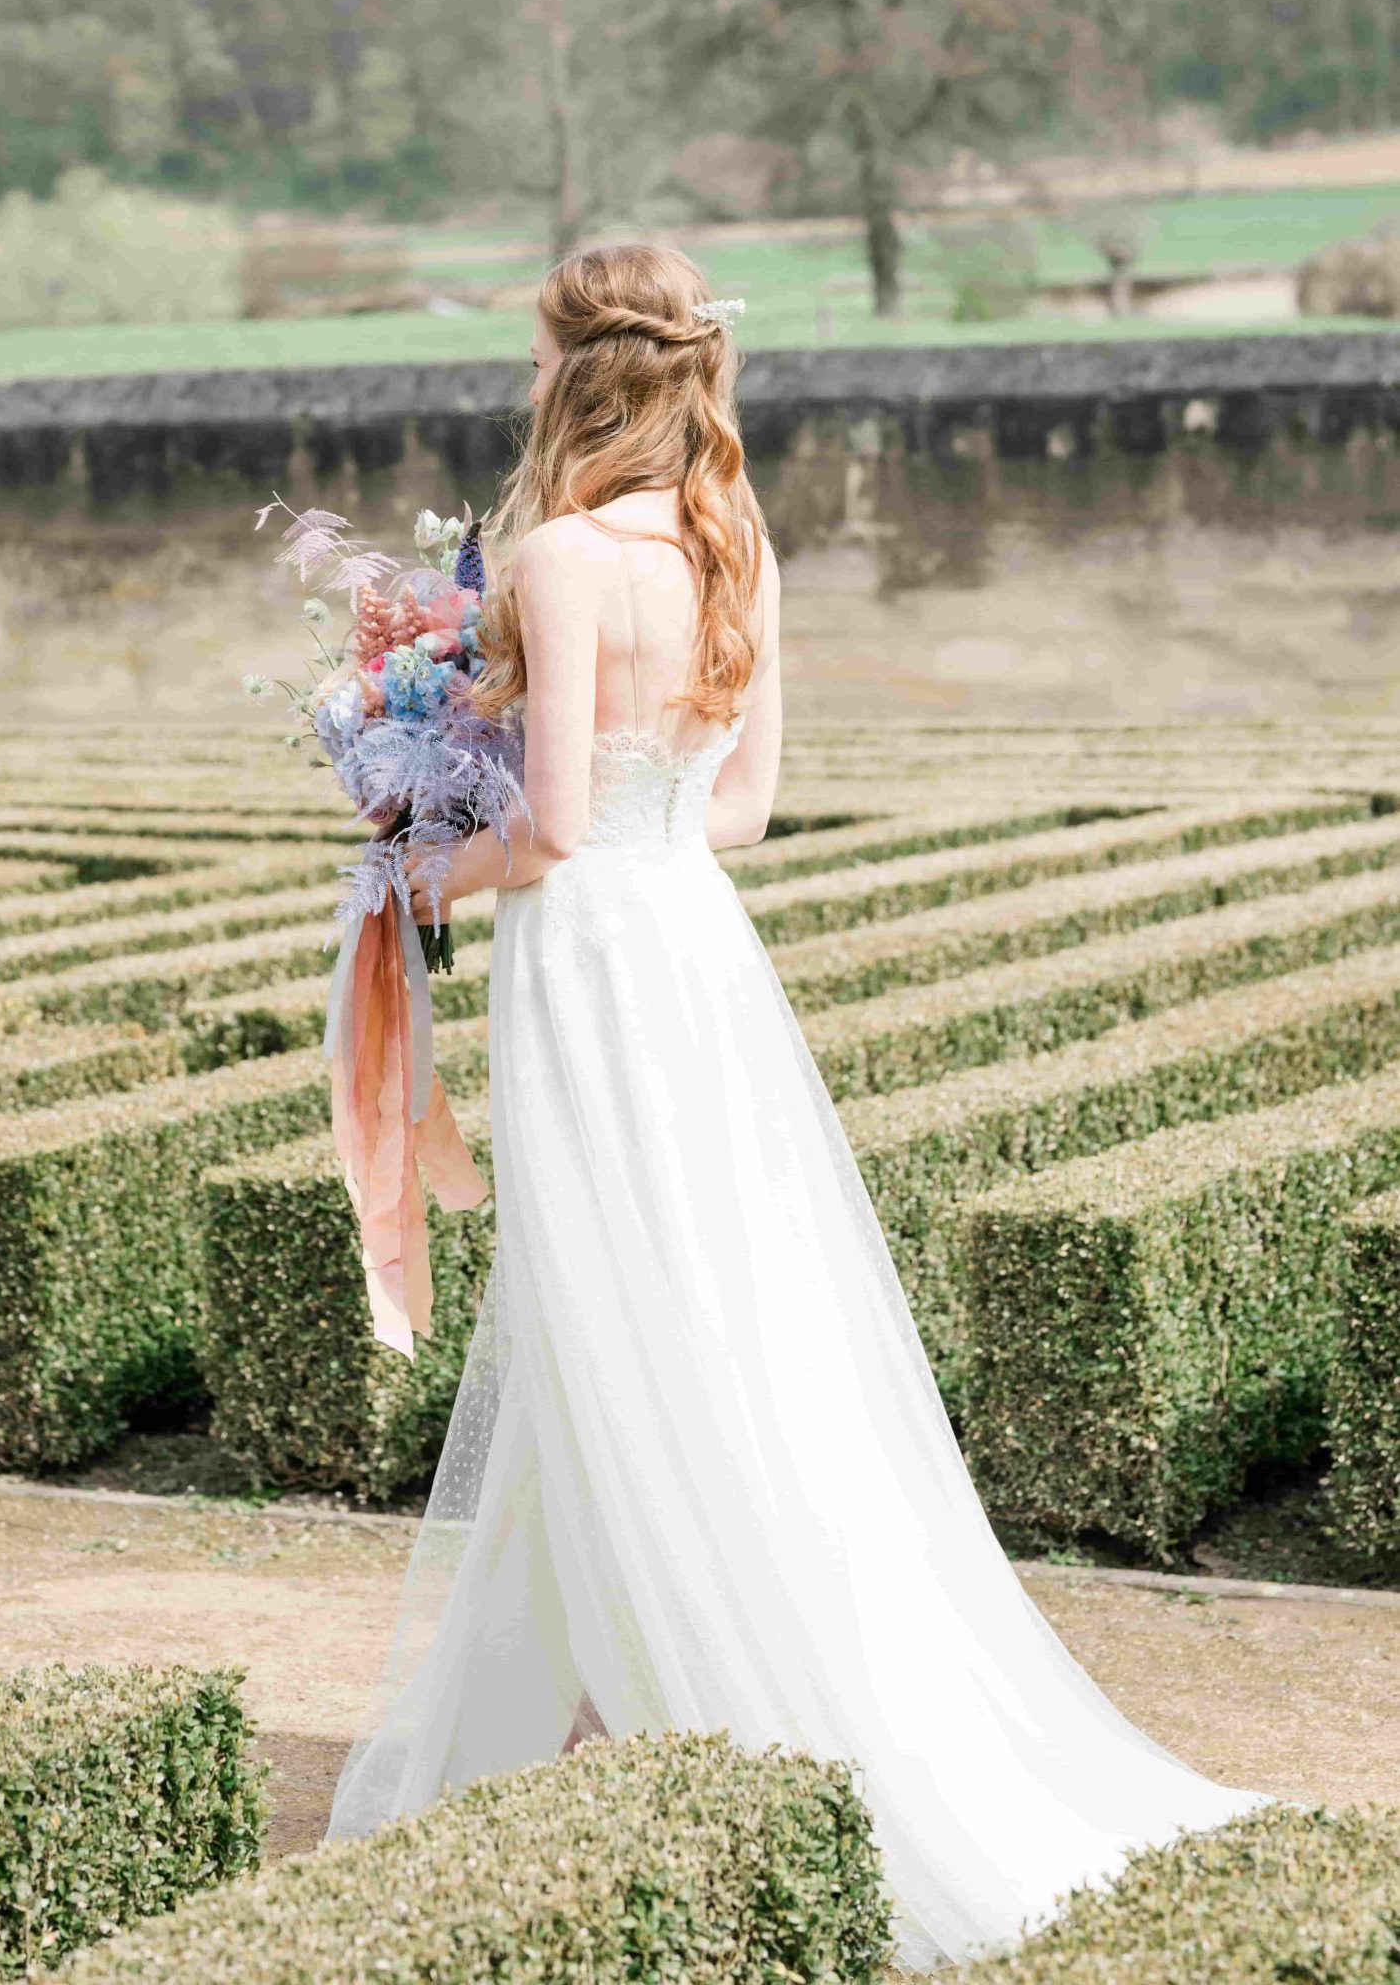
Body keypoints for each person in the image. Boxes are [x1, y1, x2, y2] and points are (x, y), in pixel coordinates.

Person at [326, 240, 1262, 1970]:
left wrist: (416, 862)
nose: (526, 380)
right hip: (695, 940)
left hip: (591, 957)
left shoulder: (553, 553)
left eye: (536, 355)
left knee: (608, 1305)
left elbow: (542, 836)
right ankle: (607, 1688)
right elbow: (739, 809)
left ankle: (652, 1696)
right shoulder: (729, 537)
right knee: (715, 1305)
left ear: (576, 370)